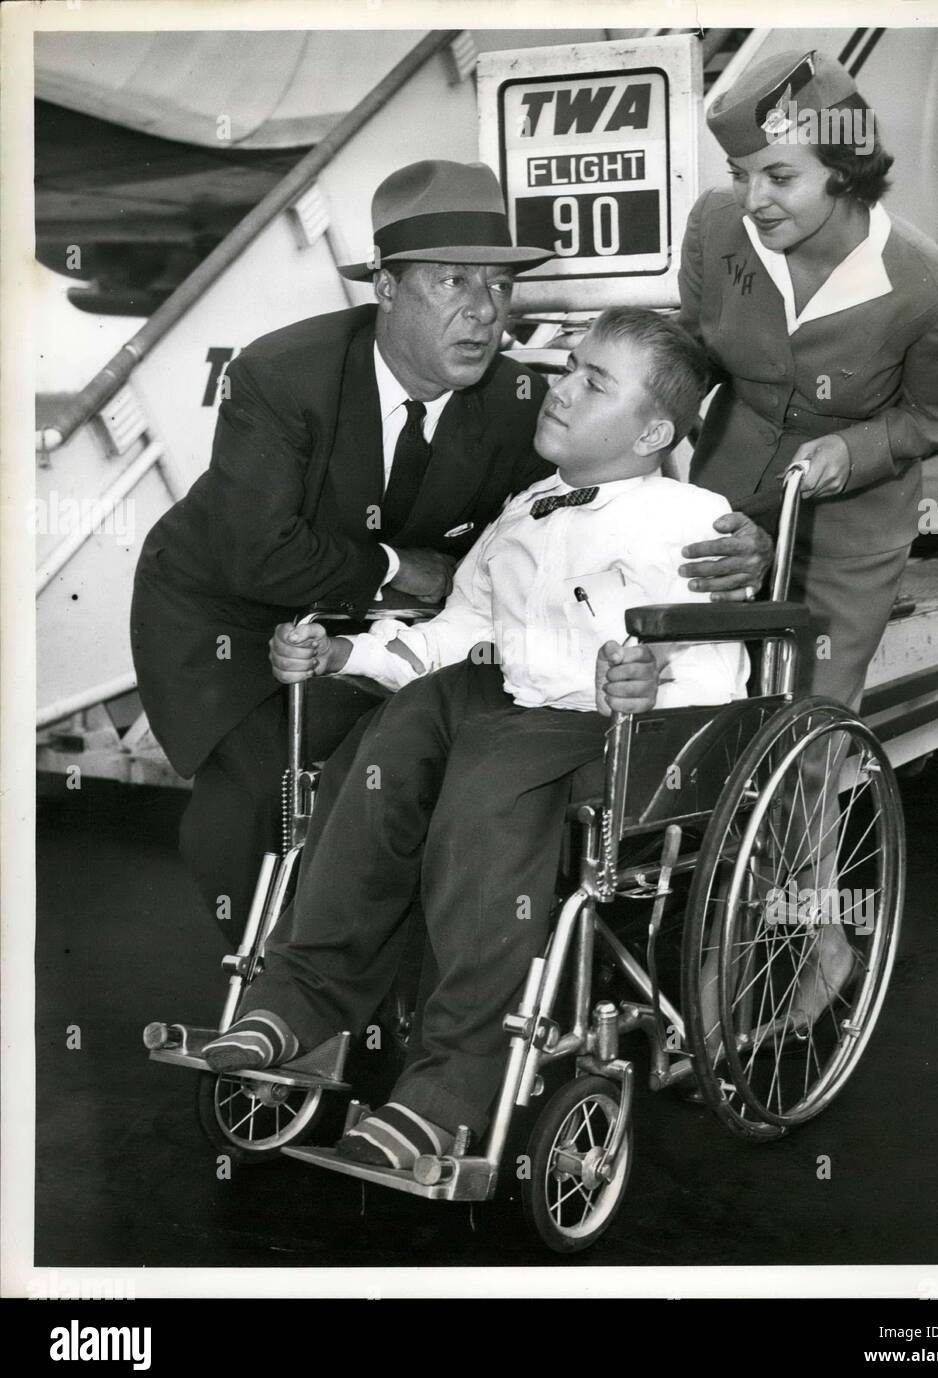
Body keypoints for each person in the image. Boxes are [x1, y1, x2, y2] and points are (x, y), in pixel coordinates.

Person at [130, 160, 771, 944]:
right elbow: (254, 554)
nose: (482, 312)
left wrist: (734, 541)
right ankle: (270, 977)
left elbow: (600, 502)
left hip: (375, 634)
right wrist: (399, 570)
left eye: (498, 288)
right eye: (452, 283)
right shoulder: (278, 375)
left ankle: (371, 983)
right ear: (387, 287)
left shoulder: (517, 404)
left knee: (391, 771)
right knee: (258, 790)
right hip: (226, 612)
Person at [201, 310, 749, 1169]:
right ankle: (304, 1003)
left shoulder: (689, 520)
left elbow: (716, 667)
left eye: (592, 381)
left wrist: (655, 689)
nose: (560, 389)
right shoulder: (525, 508)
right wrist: (350, 651)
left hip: (601, 730)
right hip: (497, 696)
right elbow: (460, 629)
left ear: (652, 431)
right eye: (568, 367)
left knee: (486, 790)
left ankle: (452, 1086)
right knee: (389, 740)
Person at [678, 49, 938, 1023]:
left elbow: (928, 423)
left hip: (845, 533)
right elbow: (696, 341)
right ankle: (701, 909)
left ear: (845, 173)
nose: (752, 199)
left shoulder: (933, 293)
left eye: (779, 176)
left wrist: (843, 454)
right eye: (741, 174)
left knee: (803, 745)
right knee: (703, 709)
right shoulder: (718, 227)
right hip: (723, 505)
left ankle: (819, 944)